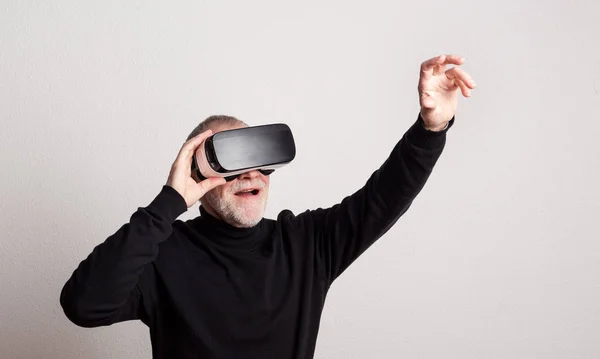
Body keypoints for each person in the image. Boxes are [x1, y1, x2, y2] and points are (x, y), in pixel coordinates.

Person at [60, 54, 476, 358]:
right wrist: (169, 202)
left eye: (259, 160)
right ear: (197, 175)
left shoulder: (306, 243)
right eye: (229, 162)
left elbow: (384, 198)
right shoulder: (159, 254)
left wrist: (431, 127)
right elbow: (83, 305)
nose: (250, 174)